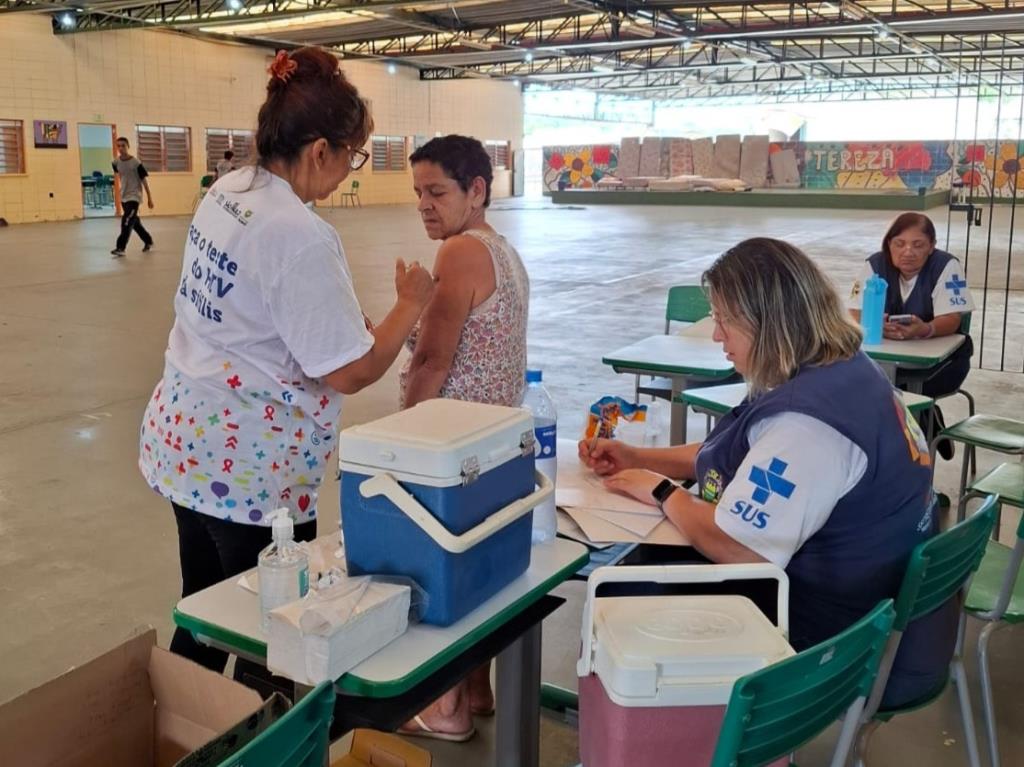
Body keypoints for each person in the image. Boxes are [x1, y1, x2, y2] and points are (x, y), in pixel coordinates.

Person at [138, 47, 434, 689]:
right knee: (273, 632)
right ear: (320, 149)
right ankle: (262, 741)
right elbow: (350, 371)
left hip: (185, 443)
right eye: (352, 157)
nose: (346, 174)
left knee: (205, 608)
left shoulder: (230, 191)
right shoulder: (297, 233)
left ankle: (178, 725)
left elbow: (258, 312)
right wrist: (410, 305)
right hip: (249, 471)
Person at [579, 238, 956, 709]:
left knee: (625, 585)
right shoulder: (839, 369)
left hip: (835, 642)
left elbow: (741, 548)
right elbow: (743, 455)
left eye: (724, 320)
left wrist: (660, 492)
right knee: (653, 557)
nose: (717, 336)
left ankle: (653, 737)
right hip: (876, 605)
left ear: (769, 323)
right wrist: (640, 457)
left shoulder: (808, 426)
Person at [397, 135, 530, 741]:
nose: (424, 204)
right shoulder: (501, 250)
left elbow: (431, 361)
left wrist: (403, 443)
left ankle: (444, 709)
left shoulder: (459, 252)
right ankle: (475, 691)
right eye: (418, 192)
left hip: (450, 447)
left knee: (432, 567)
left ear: (477, 190)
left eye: (437, 191)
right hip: (493, 444)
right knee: (475, 567)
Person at [847, 212, 975, 457]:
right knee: (867, 382)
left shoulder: (947, 266)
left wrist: (926, 329)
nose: (908, 251)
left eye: (918, 245)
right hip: (888, 357)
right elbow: (855, 309)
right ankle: (924, 421)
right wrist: (876, 323)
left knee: (888, 389)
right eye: (900, 243)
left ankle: (915, 438)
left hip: (942, 362)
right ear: (888, 244)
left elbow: (953, 318)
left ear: (931, 247)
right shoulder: (874, 265)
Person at [110, 136, 155, 257]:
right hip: (124, 196)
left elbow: (144, 180)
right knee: (134, 223)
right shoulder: (115, 163)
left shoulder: (136, 163)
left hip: (134, 196)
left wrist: (149, 197)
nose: (120, 148)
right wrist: (119, 193)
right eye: (118, 146)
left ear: (128, 146)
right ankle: (148, 241)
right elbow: (120, 177)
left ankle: (121, 247)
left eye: (123, 146)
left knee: (126, 221)